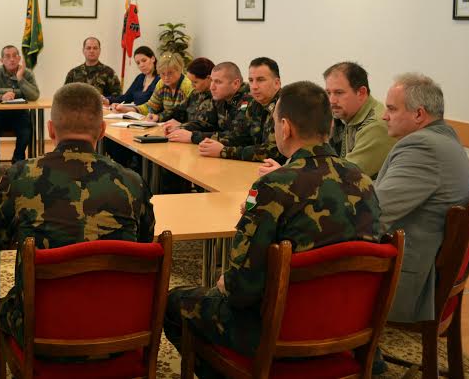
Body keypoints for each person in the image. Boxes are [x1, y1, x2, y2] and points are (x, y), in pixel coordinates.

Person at [163, 81, 382, 378]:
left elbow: (242, 290)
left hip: (281, 330)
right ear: (330, 127)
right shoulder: (364, 182)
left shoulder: (274, 186)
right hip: (350, 324)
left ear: (285, 127)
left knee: (174, 303)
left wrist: (226, 284)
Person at [0, 83, 155, 347]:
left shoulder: (22, 176)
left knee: (0, 306)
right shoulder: (132, 182)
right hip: (119, 328)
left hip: (41, 331)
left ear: (50, 130)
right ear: (102, 131)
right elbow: (144, 244)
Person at [375, 73, 469, 324]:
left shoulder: (422, 147)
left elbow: (376, 212)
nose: (384, 116)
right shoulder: (444, 138)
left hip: (408, 279)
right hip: (427, 262)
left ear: (419, 114)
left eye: (391, 109)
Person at [199, 56, 284, 163]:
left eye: (260, 80)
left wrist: (224, 151)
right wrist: (208, 142)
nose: (254, 86)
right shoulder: (254, 103)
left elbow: (274, 151)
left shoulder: (285, 106)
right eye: (251, 80)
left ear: (277, 83)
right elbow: (241, 136)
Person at [324, 61, 396, 179]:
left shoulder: (376, 126)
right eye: (328, 93)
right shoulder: (345, 116)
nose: (332, 100)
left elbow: (344, 177)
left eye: (339, 93)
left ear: (361, 93)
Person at [0, 45, 40, 175]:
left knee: (26, 129)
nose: (12, 59)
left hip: (19, 114)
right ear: (2, 60)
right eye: (7, 56)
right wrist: (1, 97)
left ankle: (17, 160)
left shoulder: (27, 73)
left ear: (19, 58)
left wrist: (20, 78)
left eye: (14, 56)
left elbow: (34, 96)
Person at [168, 61, 252, 145]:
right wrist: (180, 127)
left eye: (218, 82)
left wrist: (193, 137)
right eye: (212, 81)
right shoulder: (220, 97)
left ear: (235, 84)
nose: (212, 87)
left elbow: (238, 137)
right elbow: (207, 123)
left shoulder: (247, 100)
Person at [115, 52, 193, 121]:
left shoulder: (187, 85)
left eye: (170, 73)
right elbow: (151, 106)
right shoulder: (161, 84)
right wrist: (128, 109)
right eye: (162, 74)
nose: (166, 77)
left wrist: (159, 117)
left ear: (179, 70)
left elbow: (184, 115)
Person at [163, 57, 216, 141]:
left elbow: (205, 125)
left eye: (195, 82)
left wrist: (181, 126)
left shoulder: (217, 97)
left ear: (209, 78)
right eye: (191, 82)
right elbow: (178, 110)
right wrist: (158, 117)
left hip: (202, 141)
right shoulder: (195, 93)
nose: (192, 85)